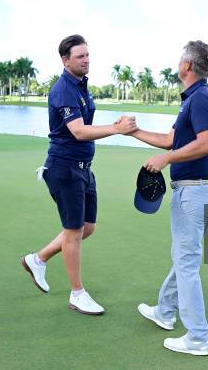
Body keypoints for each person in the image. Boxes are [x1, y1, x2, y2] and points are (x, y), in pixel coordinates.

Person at [22, 34, 137, 315]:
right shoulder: (63, 89)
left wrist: (114, 125)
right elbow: (78, 131)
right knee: (73, 232)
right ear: (65, 60)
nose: (86, 60)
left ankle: (38, 259)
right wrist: (116, 128)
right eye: (80, 56)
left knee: (87, 227)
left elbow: (85, 127)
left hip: (84, 169)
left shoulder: (82, 87)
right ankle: (77, 294)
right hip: (65, 169)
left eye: (87, 55)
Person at [131, 41, 208, 356]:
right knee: (186, 258)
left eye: (180, 59)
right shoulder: (192, 100)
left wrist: (167, 160)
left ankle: (198, 338)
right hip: (197, 190)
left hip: (194, 192)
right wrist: (133, 132)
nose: (177, 63)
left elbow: (205, 143)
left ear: (188, 66)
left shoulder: (201, 99)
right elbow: (171, 140)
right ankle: (165, 312)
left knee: (186, 263)